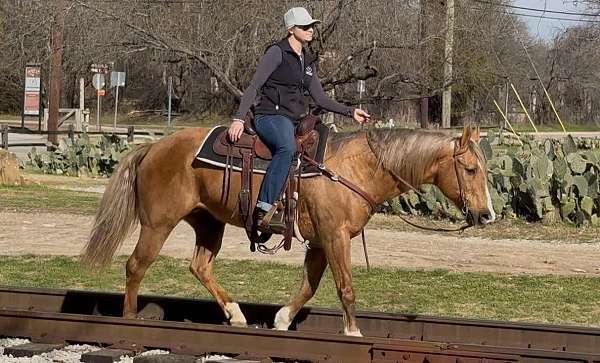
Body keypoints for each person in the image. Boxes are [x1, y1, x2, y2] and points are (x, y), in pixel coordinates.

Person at [228, 6, 370, 232]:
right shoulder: (276, 52)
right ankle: (263, 210)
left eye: (312, 26)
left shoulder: (307, 61)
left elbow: (321, 99)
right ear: (291, 29)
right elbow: (254, 85)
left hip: (292, 119)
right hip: (270, 116)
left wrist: (350, 111)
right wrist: (238, 118)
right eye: (305, 26)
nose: (311, 30)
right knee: (286, 147)